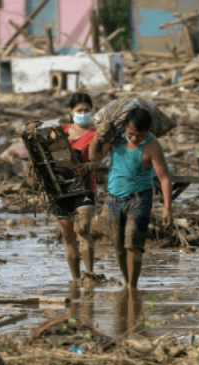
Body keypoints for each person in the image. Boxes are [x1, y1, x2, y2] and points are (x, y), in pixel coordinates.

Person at [89, 107, 172, 288]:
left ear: (148, 132)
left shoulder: (152, 145)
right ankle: (127, 282)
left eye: (140, 135)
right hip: (113, 199)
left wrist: (167, 210)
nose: (135, 139)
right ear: (126, 127)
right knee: (118, 247)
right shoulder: (115, 139)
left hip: (139, 199)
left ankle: (132, 286)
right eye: (131, 133)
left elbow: (164, 177)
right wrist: (97, 136)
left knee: (133, 245)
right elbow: (93, 157)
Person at [53, 92, 100, 281]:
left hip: (85, 186)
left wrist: (88, 166)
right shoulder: (59, 132)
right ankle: (76, 280)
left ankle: (89, 275)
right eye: (79, 110)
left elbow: (99, 159)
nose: (83, 112)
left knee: (83, 229)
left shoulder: (96, 134)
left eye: (87, 110)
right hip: (61, 188)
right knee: (67, 235)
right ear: (71, 112)